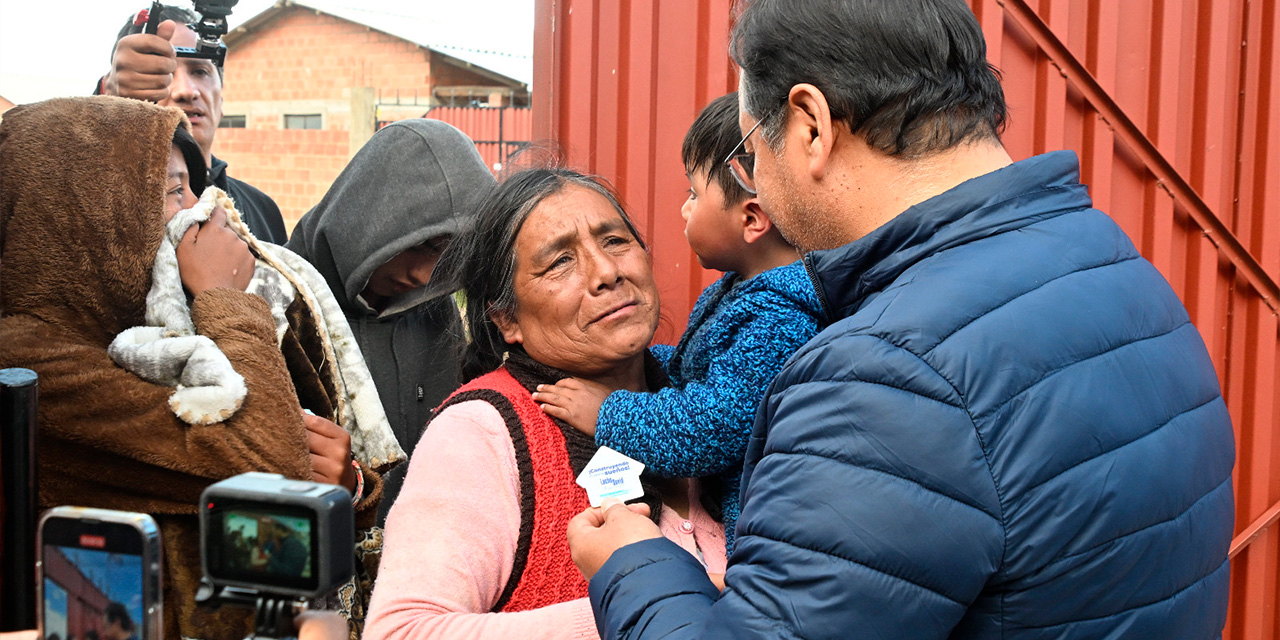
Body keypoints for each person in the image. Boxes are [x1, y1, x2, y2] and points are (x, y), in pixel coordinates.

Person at [567, 1, 1236, 638]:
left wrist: (633, 563)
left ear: (809, 125)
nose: (757, 178)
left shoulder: (887, 375)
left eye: (751, 147)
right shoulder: (1121, 271)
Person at [0, 96, 397, 640]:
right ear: (87, 214)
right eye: (170, 190)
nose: (202, 208)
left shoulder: (164, 326)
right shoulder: (27, 360)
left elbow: (277, 504)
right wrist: (223, 296)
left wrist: (343, 487)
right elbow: (268, 470)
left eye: (193, 184)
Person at [362, 169, 727, 640]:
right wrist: (639, 609)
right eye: (559, 262)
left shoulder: (713, 398)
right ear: (507, 319)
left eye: (615, 241)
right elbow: (401, 632)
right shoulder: (480, 433)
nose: (607, 272)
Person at [534, 93, 821, 552]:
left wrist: (608, 412)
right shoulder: (741, 291)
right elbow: (703, 370)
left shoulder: (781, 318)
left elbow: (711, 428)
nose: (685, 209)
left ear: (751, 219)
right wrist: (639, 363)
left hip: (769, 543)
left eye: (693, 193)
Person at [286, 119, 496, 523]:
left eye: (448, 258)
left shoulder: (436, 311)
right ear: (371, 213)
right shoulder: (280, 305)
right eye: (421, 245)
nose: (422, 275)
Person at [97, 4, 288, 243]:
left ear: (221, 98)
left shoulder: (263, 210)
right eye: (163, 72)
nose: (186, 91)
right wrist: (110, 103)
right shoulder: (103, 199)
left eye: (200, 71)